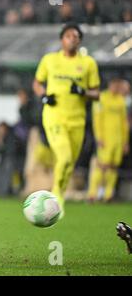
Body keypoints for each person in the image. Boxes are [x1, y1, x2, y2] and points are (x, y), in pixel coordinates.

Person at [33, 23, 100, 217]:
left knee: (69, 163)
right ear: (62, 39)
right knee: (64, 157)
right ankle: (57, 198)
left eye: (76, 36)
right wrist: (44, 96)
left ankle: (57, 195)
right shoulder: (50, 60)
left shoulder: (88, 64)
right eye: (69, 35)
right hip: (54, 117)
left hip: (77, 121)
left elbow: (96, 93)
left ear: (79, 41)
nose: (72, 39)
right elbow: (37, 83)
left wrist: (83, 92)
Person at [87, 79, 130, 202]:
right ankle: (92, 194)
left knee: (113, 167)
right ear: (110, 85)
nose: (116, 87)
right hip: (105, 139)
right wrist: (99, 137)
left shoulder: (121, 100)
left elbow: (124, 123)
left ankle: (108, 194)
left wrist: (125, 141)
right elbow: (97, 120)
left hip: (118, 140)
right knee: (102, 166)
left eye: (118, 85)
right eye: (114, 85)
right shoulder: (101, 98)